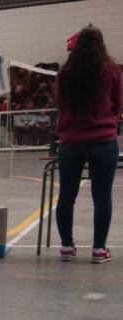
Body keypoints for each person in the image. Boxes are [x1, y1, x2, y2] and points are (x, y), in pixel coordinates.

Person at [53, 26, 121, 264]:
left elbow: (60, 105)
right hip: (103, 140)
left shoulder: (64, 73)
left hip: (71, 142)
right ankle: (99, 250)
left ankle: (66, 248)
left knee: (66, 196)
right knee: (102, 197)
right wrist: (109, 123)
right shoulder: (112, 70)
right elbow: (117, 105)